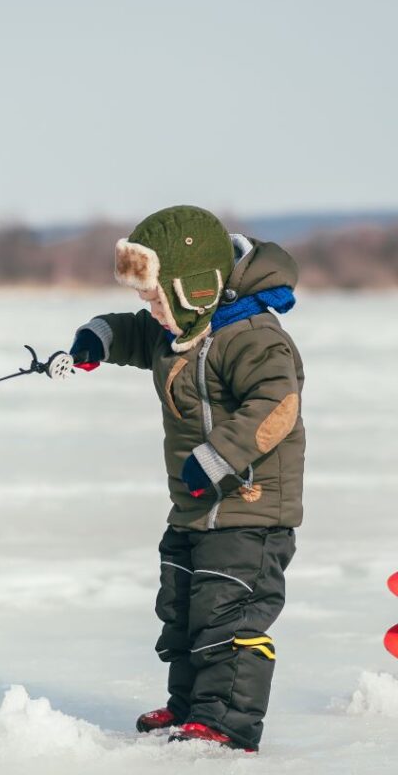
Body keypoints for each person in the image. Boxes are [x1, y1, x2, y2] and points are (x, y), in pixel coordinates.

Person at [69, 205, 304, 752]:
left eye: (155, 299)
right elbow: (131, 333)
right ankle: (190, 707)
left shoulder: (252, 337)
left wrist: (217, 458)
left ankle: (227, 724)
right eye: (145, 301)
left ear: (195, 288)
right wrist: (96, 340)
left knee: (229, 613)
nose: (149, 312)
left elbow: (277, 406)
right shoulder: (176, 328)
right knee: (182, 607)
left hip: (252, 507)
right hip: (196, 504)